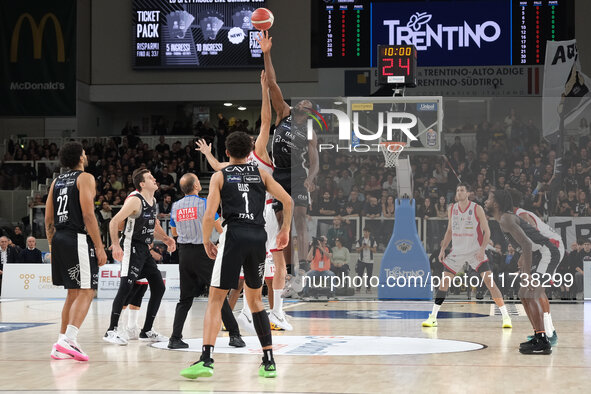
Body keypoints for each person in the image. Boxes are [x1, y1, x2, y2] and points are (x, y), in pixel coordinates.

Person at [179, 131, 292, 380]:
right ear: (250, 151)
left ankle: (206, 359)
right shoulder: (261, 173)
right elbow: (288, 200)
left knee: (215, 300)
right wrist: (284, 230)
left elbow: (209, 215)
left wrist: (207, 240)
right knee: (256, 301)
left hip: (233, 236)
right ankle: (269, 361)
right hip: (258, 236)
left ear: (227, 153)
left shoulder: (220, 175)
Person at [196, 70, 292, 331]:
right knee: (276, 266)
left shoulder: (231, 168)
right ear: (251, 146)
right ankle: (275, 313)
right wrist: (263, 90)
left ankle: (252, 313)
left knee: (247, 275)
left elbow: (217, 166)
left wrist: (207, 153)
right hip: (265, 215)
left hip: (240, 223)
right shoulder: (259, 158)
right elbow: (265, 120)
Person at [257, 30, 319, 276]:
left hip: (297, 174)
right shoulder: (284, 113)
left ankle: (303, 266)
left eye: (307, 103)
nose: (302, 102)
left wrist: (311, 178)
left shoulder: (310, 130)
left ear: (310, 111)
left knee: (301, 219)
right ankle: (285, 268)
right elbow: (272, 83)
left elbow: (315, 161)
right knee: (282, 222)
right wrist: (267, 54)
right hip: (278, 173)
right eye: (301, 101)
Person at [44, 141, 108, 361]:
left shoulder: (56, 182)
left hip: (60, 238)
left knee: (73, 292)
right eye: (84, 153)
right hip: (77, 238)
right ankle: (69, 340)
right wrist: (99, 247)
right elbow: (88, 215)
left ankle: (60, 342)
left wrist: (53, 246)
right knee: (88, 290)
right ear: (81, 157)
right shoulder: (86, 178)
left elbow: (48, 219)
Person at [168, 173, 245, 349]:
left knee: (185, 299)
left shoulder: (175, 206)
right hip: (203, 252)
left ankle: (174, 338)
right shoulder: (204, 204)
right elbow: (220, 228)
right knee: (218, 295)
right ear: (196, 186)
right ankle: (234, 335)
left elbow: (174, 233)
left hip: (184, 253)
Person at [422, 183, 512, 329]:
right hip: (457, 251)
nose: (459, 192)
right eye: (457, 190)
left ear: (468, 193)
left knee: (490, 283)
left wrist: (482, 249)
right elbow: (449, 231)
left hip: (475, 250)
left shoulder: (477, 208)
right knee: (444, 283)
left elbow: (486, 232)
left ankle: (506, 317)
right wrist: (443, 248)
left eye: (462, 190)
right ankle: (433, 317)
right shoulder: (452, 209)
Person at [103, 169, 176, 345]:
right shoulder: (135, 199)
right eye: (150, 178)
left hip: (144, 248)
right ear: (142, 184)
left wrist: (166, 238)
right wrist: (116, 245)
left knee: (158, 286)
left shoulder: (153, 200)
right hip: (131, 246)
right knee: (126, 288)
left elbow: (154, 223)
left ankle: (147, 330)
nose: (155, 179)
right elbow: (114, 222)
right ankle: (111, 330)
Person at [485, 189, 559, 354]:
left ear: (496, 203)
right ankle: (538, 336)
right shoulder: (504, 219)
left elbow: (527, 244)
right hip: (538, 253)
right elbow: (525, 245)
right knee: (523, 292)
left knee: (530, 292)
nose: (485, 201)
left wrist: (527, 274)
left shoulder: (506, 219)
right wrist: (522, 260)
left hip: (547, 252)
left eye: (489, 198)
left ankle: (543, 340)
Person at [509, 188, 563, 344]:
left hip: (551, 248)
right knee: (528, 291)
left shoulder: (521, 215)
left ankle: (550, 332)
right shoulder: (513, 216)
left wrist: (523, 256)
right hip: (540, 251)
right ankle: (540, 331)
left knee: (537, 290)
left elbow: (535, 237)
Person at [355, 228, 377, 293]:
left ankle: (368, 288)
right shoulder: (360, 240)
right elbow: (357, 250)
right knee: (359, 274)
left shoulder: (372, 240)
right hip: (361, 260)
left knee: (369, 275)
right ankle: (358, 288)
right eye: (364, 232)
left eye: (366, 232)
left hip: (370, 261)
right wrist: (362, 247)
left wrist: (368, 247)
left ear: (369, 233)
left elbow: (375, 251)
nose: (365, 233)